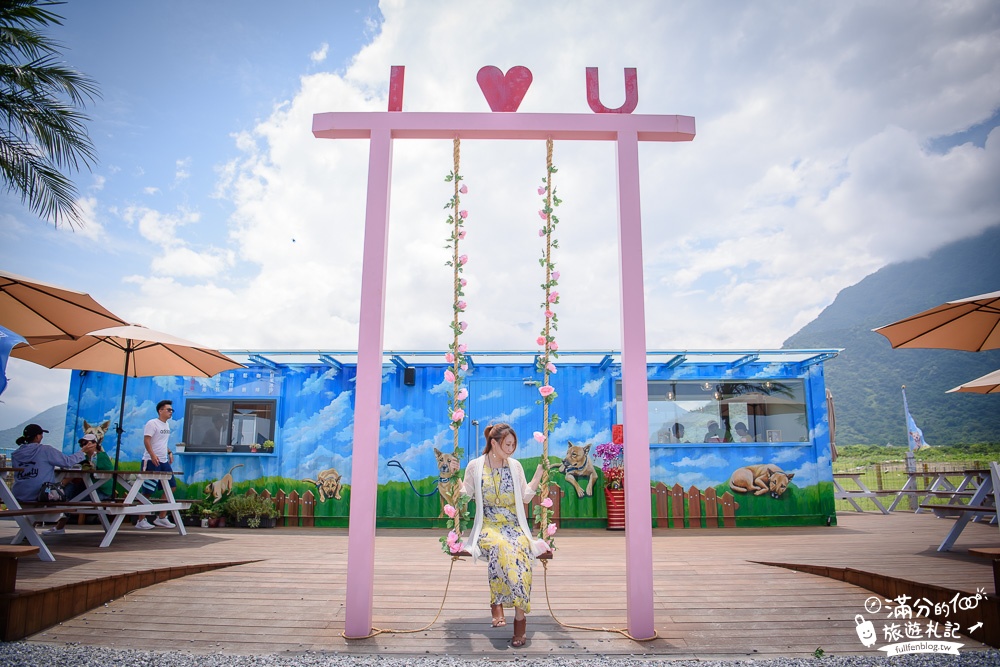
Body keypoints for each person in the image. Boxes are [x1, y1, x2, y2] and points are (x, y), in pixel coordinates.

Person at [452, 423, 546, 648]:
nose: (511, 449)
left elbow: (524, 497)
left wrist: (539, 474)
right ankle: (497, 604)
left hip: (514, 525)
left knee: (520, 552)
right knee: (501, 546)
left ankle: (519, 618)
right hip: (488, 526)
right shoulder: (475, 467)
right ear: (494, 444)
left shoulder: (515, 466)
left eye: (513, 445)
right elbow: (465, 496)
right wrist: (453, 475)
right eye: (507, 444)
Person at [11, 423, 96, 535]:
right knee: (65, 496)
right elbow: (67, 462)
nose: (42, 437)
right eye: (41, 435)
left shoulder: (15, 454)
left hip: (18, 496)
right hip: (41, 496)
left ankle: (27, 533)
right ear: (37, 437)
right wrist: (82, 452)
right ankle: (58, 526)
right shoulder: (46, 450)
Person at [136, 399, 177, 530]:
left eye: (172, 410)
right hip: (151, 460)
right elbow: (147, 440)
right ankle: (141, 520)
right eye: (168, 410)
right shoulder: (152, 423)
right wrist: (153, 455)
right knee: (148, 490)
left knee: (171, 486)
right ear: (160, 411)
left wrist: (169, 452)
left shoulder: (167, 426)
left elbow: (161, 443)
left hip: (164, 460)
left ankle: (161, 517)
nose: (171, 412)